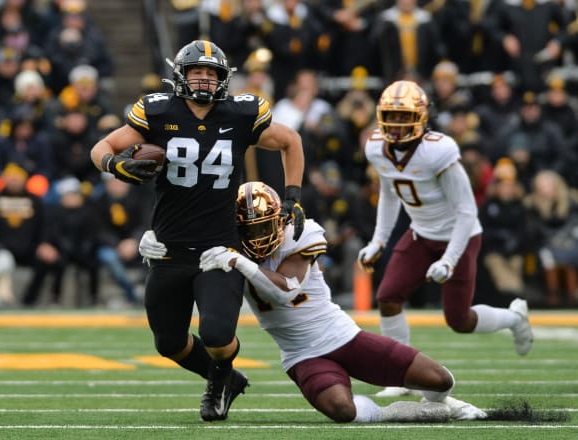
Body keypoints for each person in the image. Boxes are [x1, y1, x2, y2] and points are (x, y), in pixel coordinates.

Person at [90, 39, 306, 422]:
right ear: (181, 75)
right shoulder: (158, 111)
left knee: (218, 336)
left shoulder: (241, 113)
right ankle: (226, 379)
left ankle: (218, 380)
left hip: (218, 250)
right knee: (169, 344)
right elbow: (102, 146)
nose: (204, 80)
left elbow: (291, 141)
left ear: (224, 79)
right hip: (168, 247)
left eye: (211, 73)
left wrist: (293, 196)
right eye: (196, 72)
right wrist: (115, 166)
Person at [156, 181, 486, 423]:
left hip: (342, 336)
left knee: (441, 379)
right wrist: (156, 240)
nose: (257, 238)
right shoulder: (228, 244)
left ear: (280, 219)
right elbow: (185, 243)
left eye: (264, 227)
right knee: (343, 411)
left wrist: (240, 261)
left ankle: (445, 404)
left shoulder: (299, 234)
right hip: (301, 353)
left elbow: (286, 290)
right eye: (249, 231)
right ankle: (406, 413)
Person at [356, 80, 534, 397]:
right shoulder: (375, 147)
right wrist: (378, 241)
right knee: (388, 297)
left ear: (422, 117)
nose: (396, 126)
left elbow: (467, 212)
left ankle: (514, 317)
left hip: (459, 237)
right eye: (391, 117)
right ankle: (400, 375)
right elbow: (389, 192)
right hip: (422, 233)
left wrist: (449, 260)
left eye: (403, 117)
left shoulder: (437, 151)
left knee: (459, 320)